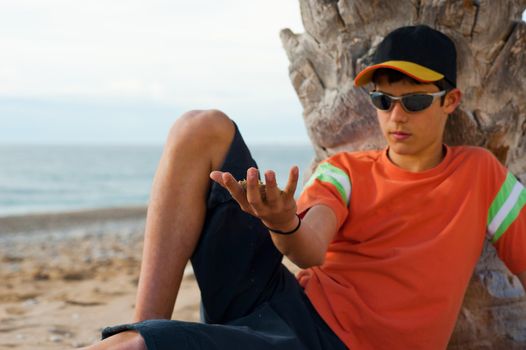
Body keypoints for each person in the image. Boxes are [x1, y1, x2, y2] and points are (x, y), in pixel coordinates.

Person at [80, 25, 526, 350]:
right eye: (383, 101)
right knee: (200, 127)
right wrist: (284, 222)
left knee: (134, 348)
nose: (396, 117)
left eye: (413, 101)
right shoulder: (346, 170)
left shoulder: (481, 174)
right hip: (277, 297)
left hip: (325, 344)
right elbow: (310, 249)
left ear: (450, 101)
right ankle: (146, 321)